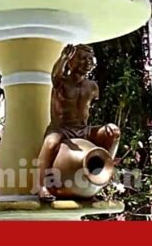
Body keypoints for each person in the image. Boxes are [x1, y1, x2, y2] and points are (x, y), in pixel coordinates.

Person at [33, 44, 120, 201]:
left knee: (113, 132)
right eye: (81, 59)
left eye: (89, 59)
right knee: (51, 143)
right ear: (71, 62)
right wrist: (63, 58)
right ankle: (41, 186)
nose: (87, 62)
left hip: (83, 129)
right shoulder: (61, 82)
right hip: (62, 128)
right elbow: (55, 75)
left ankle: (101, 177)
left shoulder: (92, 87)